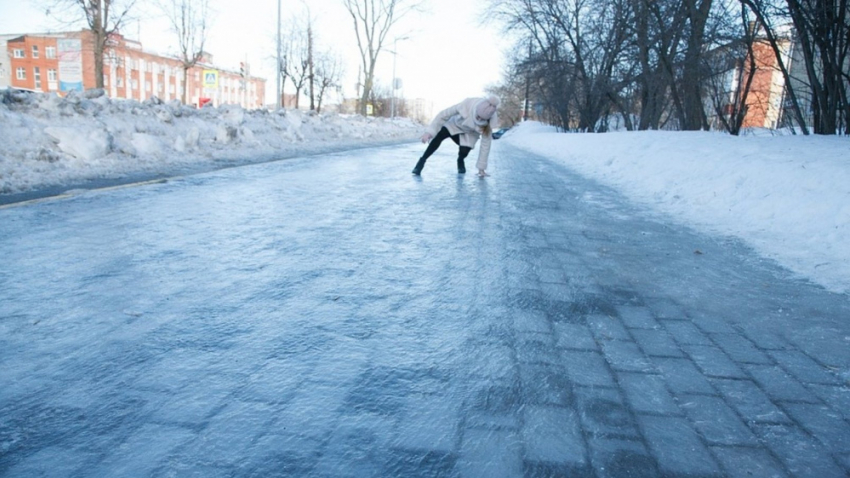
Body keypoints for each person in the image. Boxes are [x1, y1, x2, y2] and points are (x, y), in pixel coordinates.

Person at [411, 95, 500, 177]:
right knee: (440, 134)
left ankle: (460, 160)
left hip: (470, 133)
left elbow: (486, 145)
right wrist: (429, 132)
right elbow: (443, 115)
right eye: (478, 116)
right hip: (454, 125)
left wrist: (481, 168)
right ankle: (421, 162)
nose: (479, 119)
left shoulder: (489, 123)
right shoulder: (467, 104)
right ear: (476, 110)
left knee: (464, 151)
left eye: (482, 119)